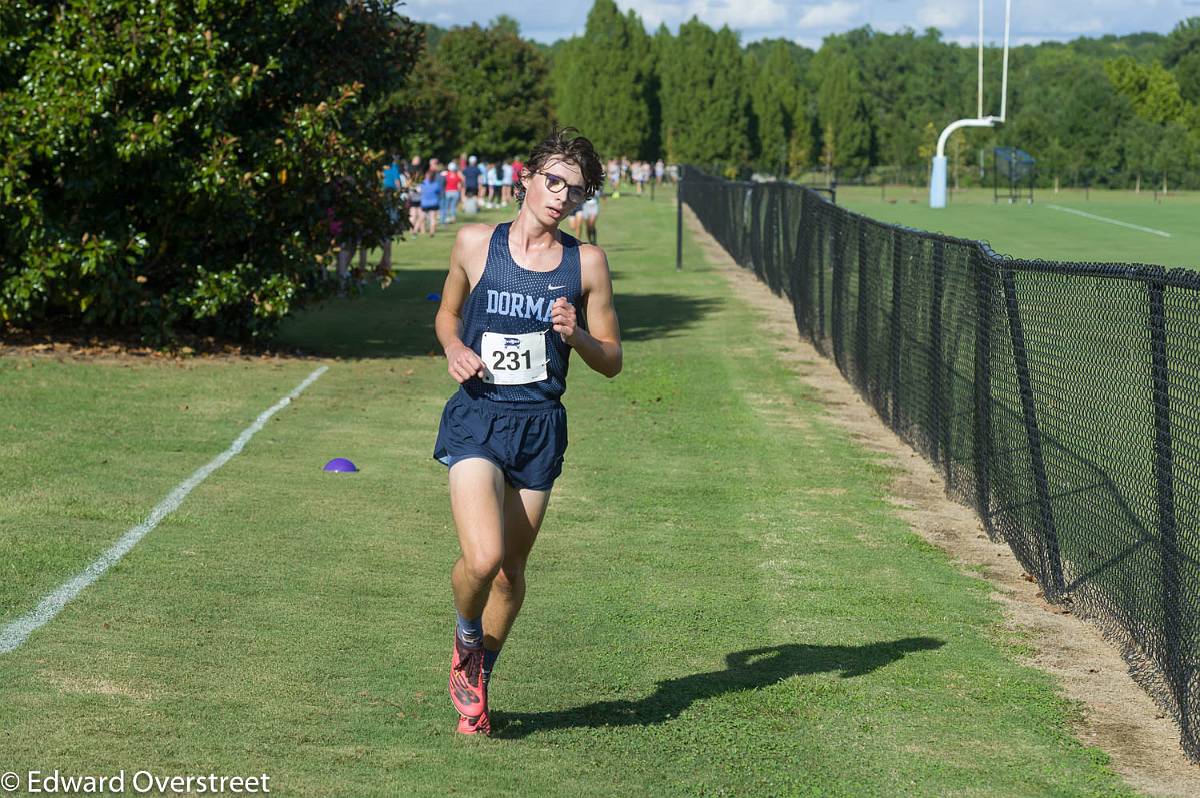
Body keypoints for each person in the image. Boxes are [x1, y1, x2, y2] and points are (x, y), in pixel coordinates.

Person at [432, 127, 620, 736]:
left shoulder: (584, 263)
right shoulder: (472, 243)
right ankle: (466, 642)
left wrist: (579, 336)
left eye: (578, 190)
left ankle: (479, 678)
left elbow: (613, 358)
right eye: (555, 181)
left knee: (511, 572)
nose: (563, 197)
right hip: (479, 417)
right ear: (528, 177)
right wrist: (455, 347)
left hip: (539, 427)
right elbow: (447, 311)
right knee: (482, 557)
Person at [419, 166, 442, 236]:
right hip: (434, 203)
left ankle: (422, 231)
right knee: (433, 218)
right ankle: (432, 231)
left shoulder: (423, 183)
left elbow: (420, 191)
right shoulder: (436, 184)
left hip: (425, 203)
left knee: (422, 217)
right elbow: (439, 192)